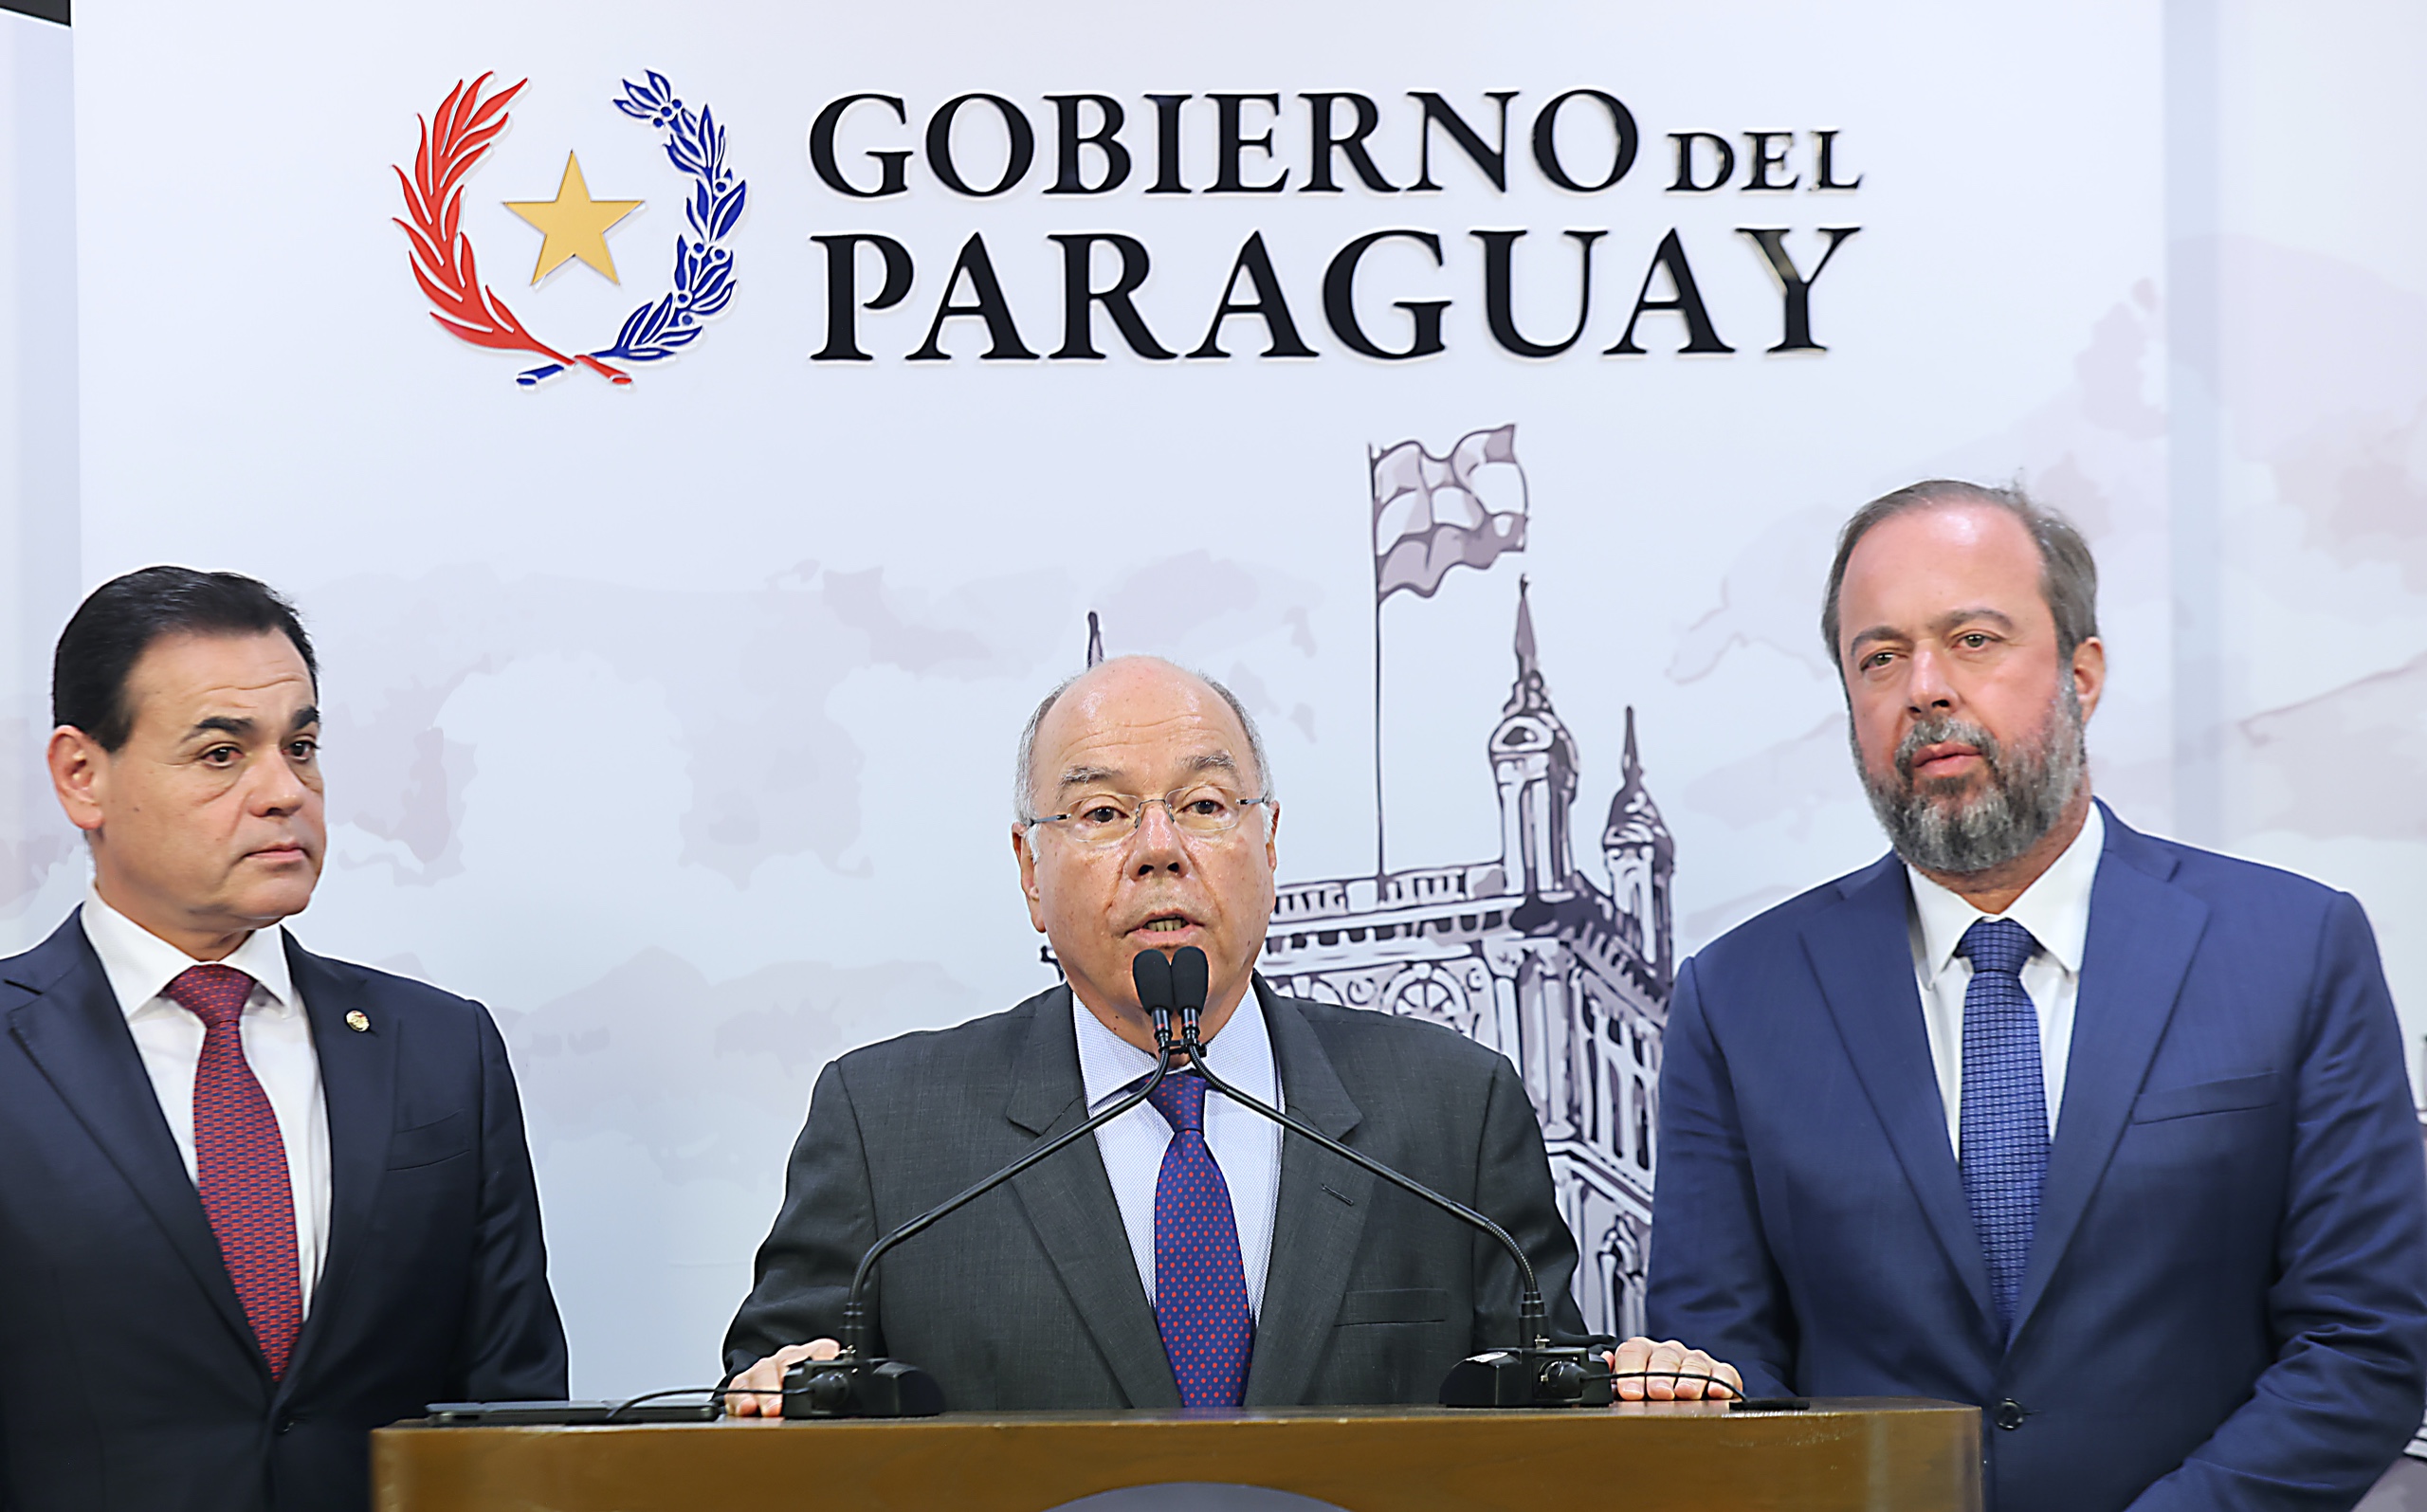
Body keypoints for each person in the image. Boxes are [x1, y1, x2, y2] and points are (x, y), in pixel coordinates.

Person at [1647, 481, 2427, 1510]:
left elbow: (2366, 1339)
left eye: (1972, 638)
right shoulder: (1738, 997)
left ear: (2082, 672)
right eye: (1879, 656)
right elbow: (1721, 1362)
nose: (1924, 687)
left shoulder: (2292, 948)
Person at [724, 655, 1736, 1412]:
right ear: (1031, 872)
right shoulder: (888, 1123)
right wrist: (774, 1394)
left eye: (1204, 804)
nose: (1159, 849)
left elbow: (1548, 1395)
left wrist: (1629, 1382)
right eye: (1104, 811)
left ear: (1268, 842)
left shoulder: (1449, 1109)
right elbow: (774, 1394)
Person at [0, 567, 567, 1512]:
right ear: (81, 774)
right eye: (222, 754)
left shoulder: (441, 1050)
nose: (282, 791)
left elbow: (510, 1412)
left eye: (299, 746)